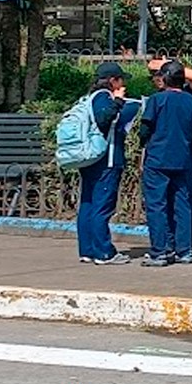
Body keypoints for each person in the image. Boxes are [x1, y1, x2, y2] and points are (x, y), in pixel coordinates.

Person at [137, 59, 192, 267]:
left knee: (156, 205)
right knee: (182, 204)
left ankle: (160, 251)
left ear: (165, 79)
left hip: (158, 159)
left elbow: (145, 130)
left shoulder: (157, 100)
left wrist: (142, 148)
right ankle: (185, 251)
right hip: (184, 159)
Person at [75, 62, 139, 265]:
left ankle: (87, 249)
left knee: (88, 203)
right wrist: (119, 101)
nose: (123, 84)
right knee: (102, 206)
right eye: (120, 80)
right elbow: (104, 120)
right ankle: (103, 252)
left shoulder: (89, 98)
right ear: (112, 81)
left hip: (91, 160)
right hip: (106, 160)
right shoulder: (104, 98)